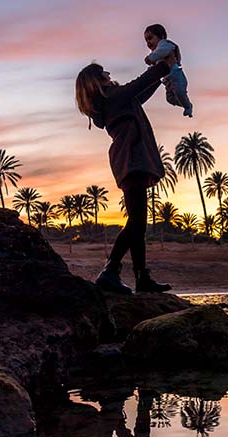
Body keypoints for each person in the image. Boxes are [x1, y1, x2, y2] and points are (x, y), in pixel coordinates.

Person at [75, 60, 172, 294]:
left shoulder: (114, 100)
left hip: (131, 157)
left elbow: (140, 92)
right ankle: (110, 271)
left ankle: (141, 278)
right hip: (131, 157)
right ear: (97, 81)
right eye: (103, 72)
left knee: (138, 222)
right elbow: (137, 85)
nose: (108, 72)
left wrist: (161, 77)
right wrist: (163, 66)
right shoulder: (111, 97)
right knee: (138, 221)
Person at [143, 23, 193, 118]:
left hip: (176, 76)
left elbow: (162, 52)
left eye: (150, 38)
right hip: (168, 81)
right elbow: (155, 65)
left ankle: (188, 106)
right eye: (146, 40)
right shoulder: (156, 52)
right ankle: (184, 103)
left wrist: (151, 57)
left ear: (161, 36)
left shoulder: (165, 45)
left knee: (179, 92)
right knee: (170, 99)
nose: (148, 42)